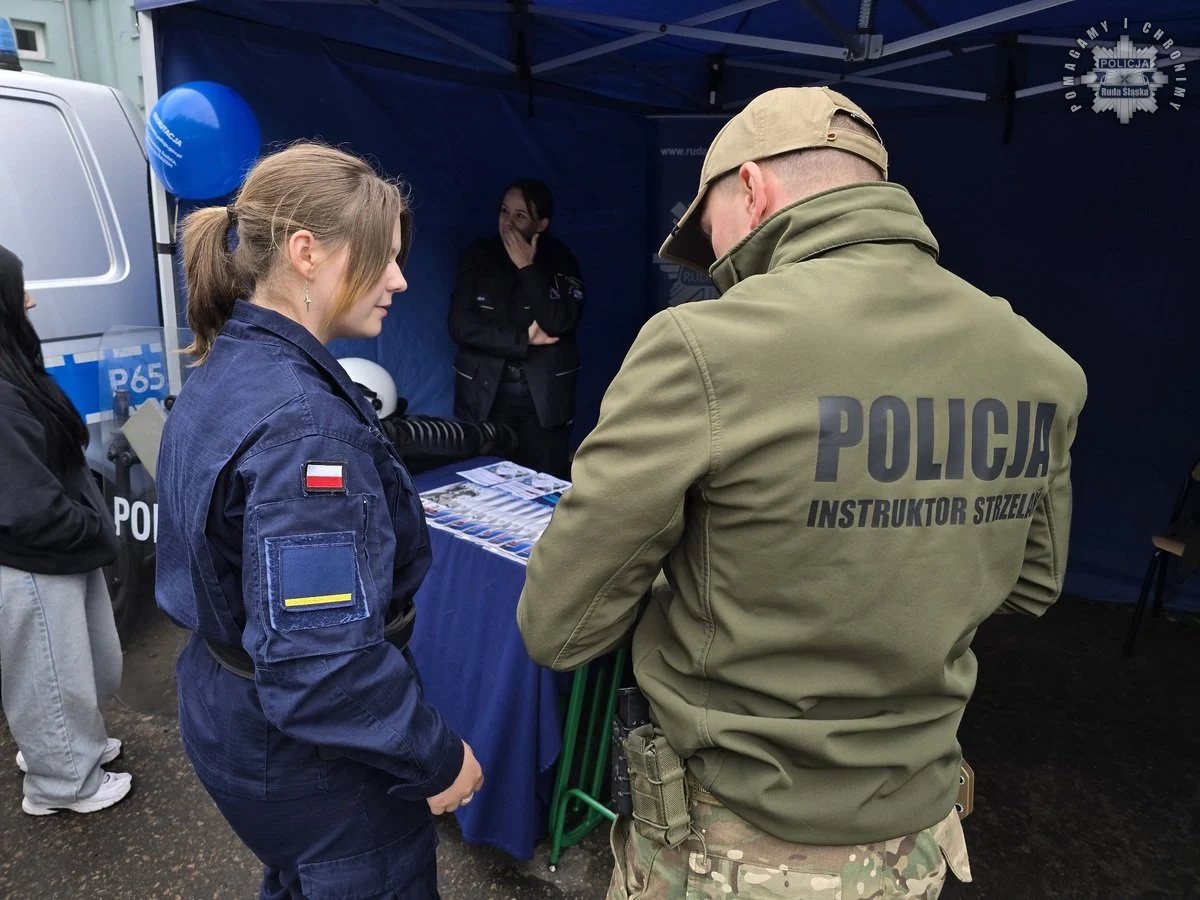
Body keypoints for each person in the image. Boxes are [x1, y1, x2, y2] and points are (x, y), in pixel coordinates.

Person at [516, 87, 1087, 898]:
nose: (713, 264)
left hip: (729, 847)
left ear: (752, 189)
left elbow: (560, 624)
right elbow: (1030, 586)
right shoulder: (1037, 362)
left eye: (707, 232)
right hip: (917, 838)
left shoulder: (701, 348)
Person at [155, 143, 483, 900]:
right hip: (308, 760)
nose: (400, 280)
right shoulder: (305, 431)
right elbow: (320, 666)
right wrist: (438, 757)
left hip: (234, 714)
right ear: (306, 252)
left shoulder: (227, 363)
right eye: (384, 259)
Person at [0, 243, 129, 816]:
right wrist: (85, 526)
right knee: (49, 672)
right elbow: (23, 502)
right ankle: (58, 785)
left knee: (83, 665)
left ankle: (69, 746)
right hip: (36, 555)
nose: (29, 300)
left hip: (64, 548)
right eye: (17, 290)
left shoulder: (12, 367)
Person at [449, 178, 584, 479]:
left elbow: (559, 322)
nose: (508, 222)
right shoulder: (479, 255)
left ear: (542, 224)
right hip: (486, 396)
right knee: (482, 486)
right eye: (504, 211)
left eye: (520, 215)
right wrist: (523, 340)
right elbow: (461, 325)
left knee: (545, 487)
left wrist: (527, 267)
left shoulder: (560, 260)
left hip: (543, 402)